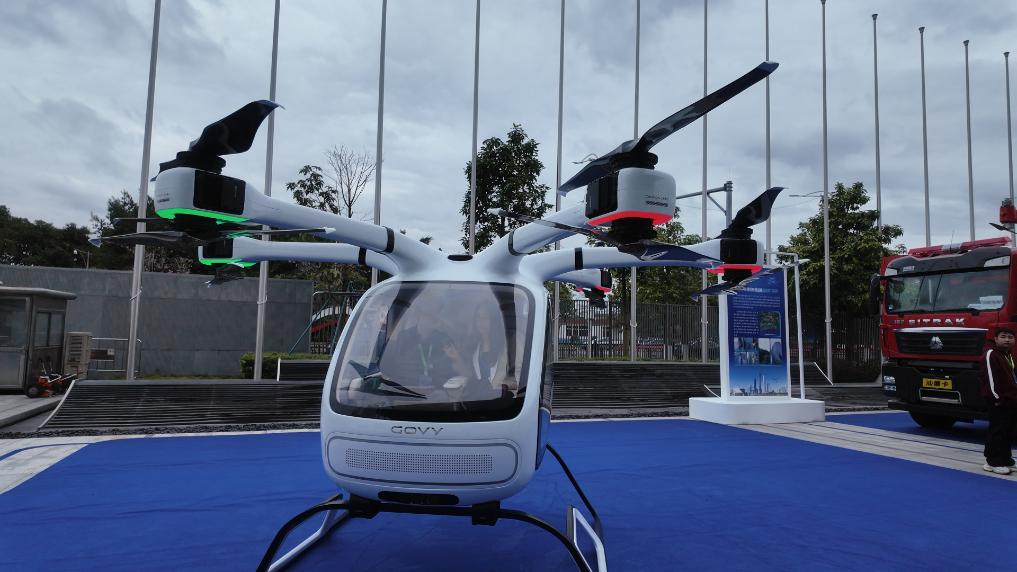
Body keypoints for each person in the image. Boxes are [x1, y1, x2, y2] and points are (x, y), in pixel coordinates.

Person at [978, 327, 1017, 475]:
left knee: (1007, 431)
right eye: (1003, 336)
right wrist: (997, 398)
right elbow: (989, 378)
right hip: (998, 401)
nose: (1007, 340)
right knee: (997, 431)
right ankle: (992, 462)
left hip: (1010, 400)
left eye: (1010, 337)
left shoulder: (1007, 354)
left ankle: (1006, 459)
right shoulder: (991, 354)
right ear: (996, 339)